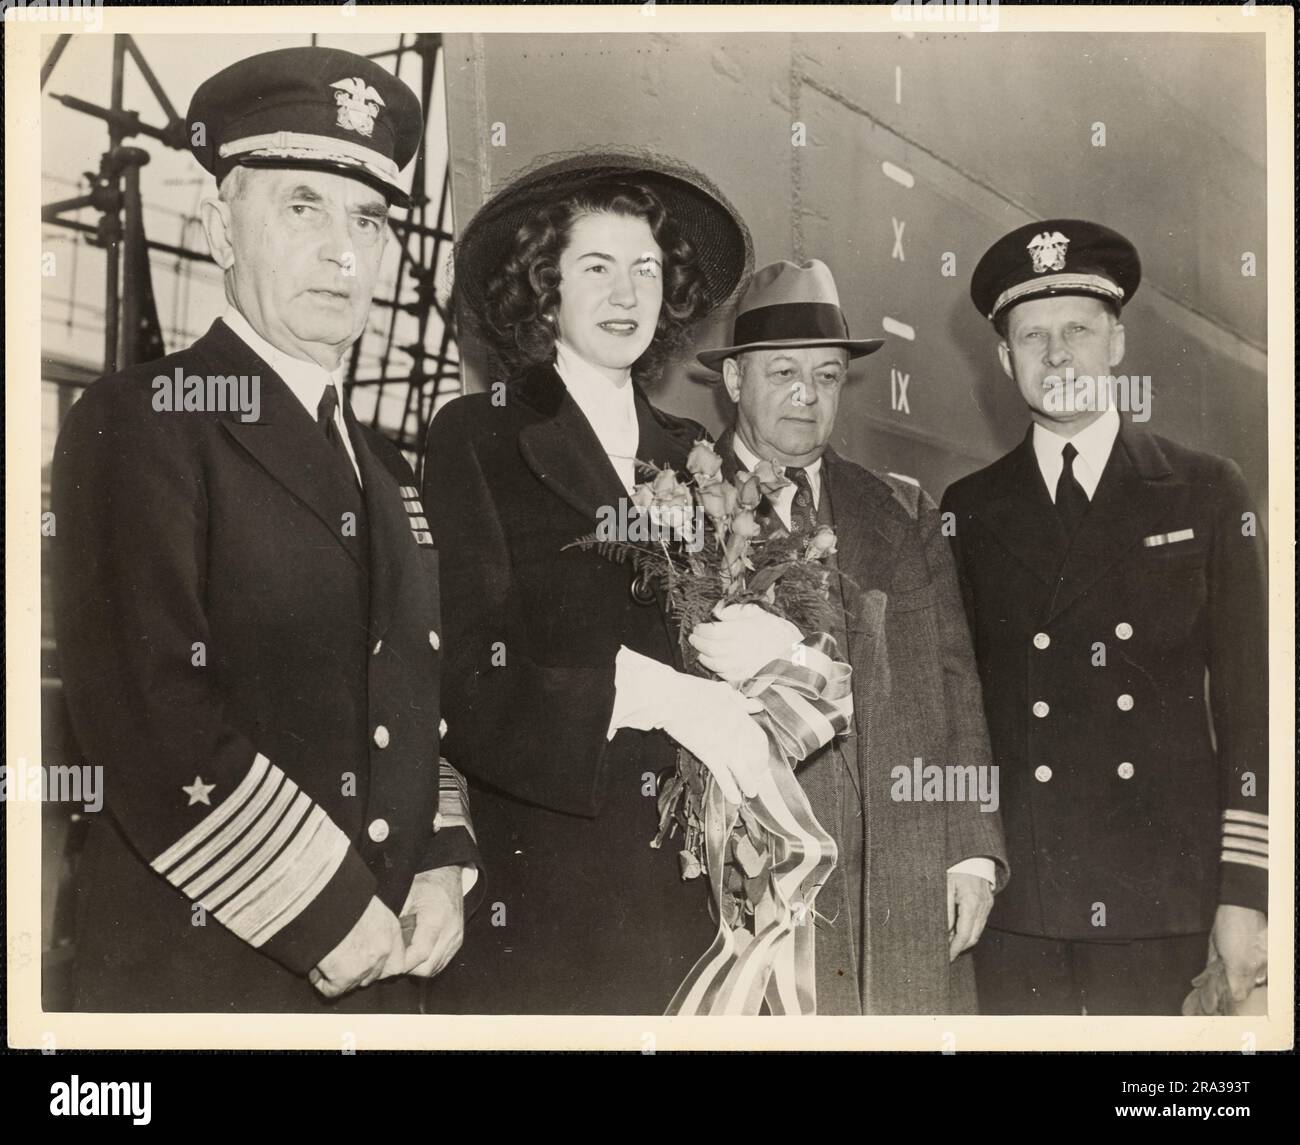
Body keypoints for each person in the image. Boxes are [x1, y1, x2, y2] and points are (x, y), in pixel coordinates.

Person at [51, 46, 479, 1013]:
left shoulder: (390, 474)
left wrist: (442, 862)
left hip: (384, 980)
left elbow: (417, 702)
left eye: (368, 220)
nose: (343, 251)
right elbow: (145, 711)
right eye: (301, 207)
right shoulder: (144, 423)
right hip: (212, 984)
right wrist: (325, 906)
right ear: (220, 229)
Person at [421, 151, 809, 1014]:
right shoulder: (477, 438)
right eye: (595, 268)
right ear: (543, 287)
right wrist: (642, 692)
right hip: (553, 914)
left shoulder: (694, 452)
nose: (627, 295)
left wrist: (778, 656)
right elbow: (465, 690)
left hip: (698, 907)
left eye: (647, 270)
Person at [941, 219, 1268, 1014]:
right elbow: (954, 711)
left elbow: (1253, 709)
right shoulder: (969, 511)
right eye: (1033, 335)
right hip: (1023, 905)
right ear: (1004, 358)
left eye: (1079, 330)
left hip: (1163, 897)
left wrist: (1247, 891)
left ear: (1117, 343)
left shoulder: (1204, 490)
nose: (1058, 355)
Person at [692, 259, 1008, 1014]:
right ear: (734, 381)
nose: (808, 395)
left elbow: (956, 681)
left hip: (902, 885)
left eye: (828, 375)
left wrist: (971, 850)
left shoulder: (900, 510)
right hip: (761, 900)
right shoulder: (680, 510)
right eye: (784, 371)